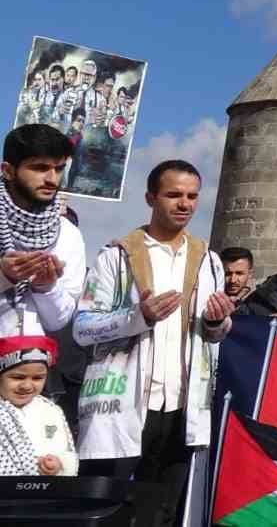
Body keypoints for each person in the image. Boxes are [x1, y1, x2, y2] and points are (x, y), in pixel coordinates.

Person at [74, 159, 235, 527]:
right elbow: (83, 327)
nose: (185, 204)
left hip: (181, 407)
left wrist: (216, 322)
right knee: (107, 511)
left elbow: (214, 334)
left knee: (160, 512)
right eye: (173, 194)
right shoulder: (117, 255)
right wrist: (138, 316)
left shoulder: (209, 260)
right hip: (123, 403)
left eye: (192, 196)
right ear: (150, 197)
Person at [1, 125, 86, 337]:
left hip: (29, 363)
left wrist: (46, 287)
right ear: (8, 171)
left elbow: (59, 321)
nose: (52, 179)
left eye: (59, 169)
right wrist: (4, 276)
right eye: (40, 168)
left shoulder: (68, 234)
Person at [0, 335, 77, 476]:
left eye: (37, 378)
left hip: (48, 493)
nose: (27, 386)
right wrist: (32, 466)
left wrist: (59, 464)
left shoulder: (50, 410)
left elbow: (68, 452)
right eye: (18, 377)